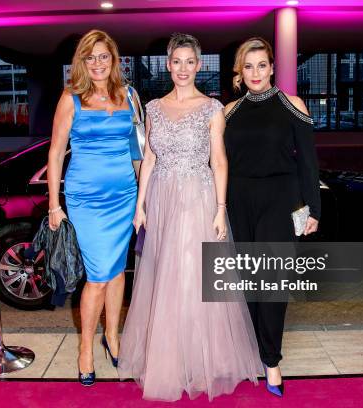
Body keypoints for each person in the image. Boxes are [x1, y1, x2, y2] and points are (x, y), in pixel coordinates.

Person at [118, 33, 262, 401]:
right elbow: (148, 159)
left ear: (199, 66)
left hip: (198, 198)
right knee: (163, 277)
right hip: (161, 198)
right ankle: (169, 359)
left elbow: (219, 161)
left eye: (189, 62)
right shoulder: (151, 108)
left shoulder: (212, 108)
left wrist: (220, 208)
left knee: (193, 278)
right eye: (176, 61)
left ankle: (201, 362)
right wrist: (140, 206)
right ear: (168, 65)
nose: (182, 68)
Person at [223, 37, 321, 397]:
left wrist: (312, 209)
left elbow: (308, 162)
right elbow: (220, 163)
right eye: (248, 66)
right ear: (240, 70)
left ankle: (271, 361)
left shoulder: (292, 105)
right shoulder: (229, 112)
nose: (255, 73)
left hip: (281, 199)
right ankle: (253, 352)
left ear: (272, 67)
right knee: (247, 282)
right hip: (238, 199)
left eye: (261, 65)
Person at [47, 29, 137, 386]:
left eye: (104, 56)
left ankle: (112, 336)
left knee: (117, 273)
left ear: (114, 60)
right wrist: (55, 204)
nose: (98, 63)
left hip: (124, 196)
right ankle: (86, 346)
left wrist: (142, 199)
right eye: (90, 57)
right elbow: (55, 153)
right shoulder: (71, 97)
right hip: (86, 199)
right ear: (81, 62)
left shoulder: (129, 94)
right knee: (98, 277)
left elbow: (136, 150)